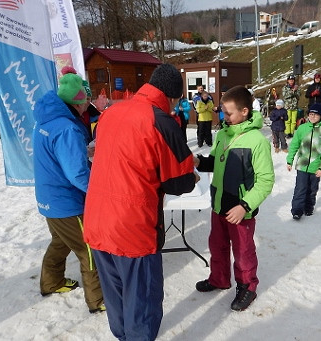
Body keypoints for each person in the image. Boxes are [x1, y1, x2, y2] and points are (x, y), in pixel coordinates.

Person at [83, 63, 198, 341]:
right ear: (172, 97)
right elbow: (178, 182)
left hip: (97, 222)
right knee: (142, 303)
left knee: (117, 298)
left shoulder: (110, 113)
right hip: (133, 230)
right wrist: (191, 173)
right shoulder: (161, 121)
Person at [194, 85, 275, 312]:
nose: (224, 116)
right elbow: (215, 161)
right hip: (219, 204)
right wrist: (199, 162)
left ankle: (247, 286)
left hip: (240, 210)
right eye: (222, 111)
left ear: (245, 112)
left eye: (228, 112)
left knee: (243, 251)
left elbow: (265, 180)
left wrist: (244, 206)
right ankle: (219, 278)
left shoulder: (256, 141)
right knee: (217, 245)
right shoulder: (222, 134)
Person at [33, 66, 105, 314]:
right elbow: (77, 173)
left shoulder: (48, 119)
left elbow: (58, 157)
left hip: (48, 199)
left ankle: (51, 281)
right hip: (67, 201)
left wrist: (82, 151)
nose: (88, 104)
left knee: (60, 243)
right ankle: (98, 300)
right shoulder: (68, 128)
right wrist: (99, 193)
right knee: (90, 249)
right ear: (79, 100)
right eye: (87, 99)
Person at [286, 103, 321, 220]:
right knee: (300, 188)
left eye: (315, 115)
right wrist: (290, 160)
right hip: (302, 165)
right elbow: (294, 145)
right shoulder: (302, 128)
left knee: (312, 190)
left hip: (315, 166)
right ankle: (297, 210)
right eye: (311, 114)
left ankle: (308, 207)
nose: (312, 117)